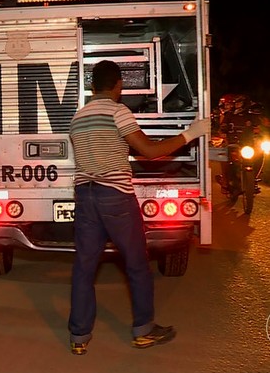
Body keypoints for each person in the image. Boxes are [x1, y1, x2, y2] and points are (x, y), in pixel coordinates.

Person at [67, 60, 210, 355]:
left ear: (93, 86)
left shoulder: (78, 117)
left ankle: (79, 336)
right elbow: (149, 152)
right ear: (117, 85)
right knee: (136, 264)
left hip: (85, 195)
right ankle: (143, 330)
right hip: (115, 196)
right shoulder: (118, 112)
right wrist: (190, 134)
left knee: (84, 266)